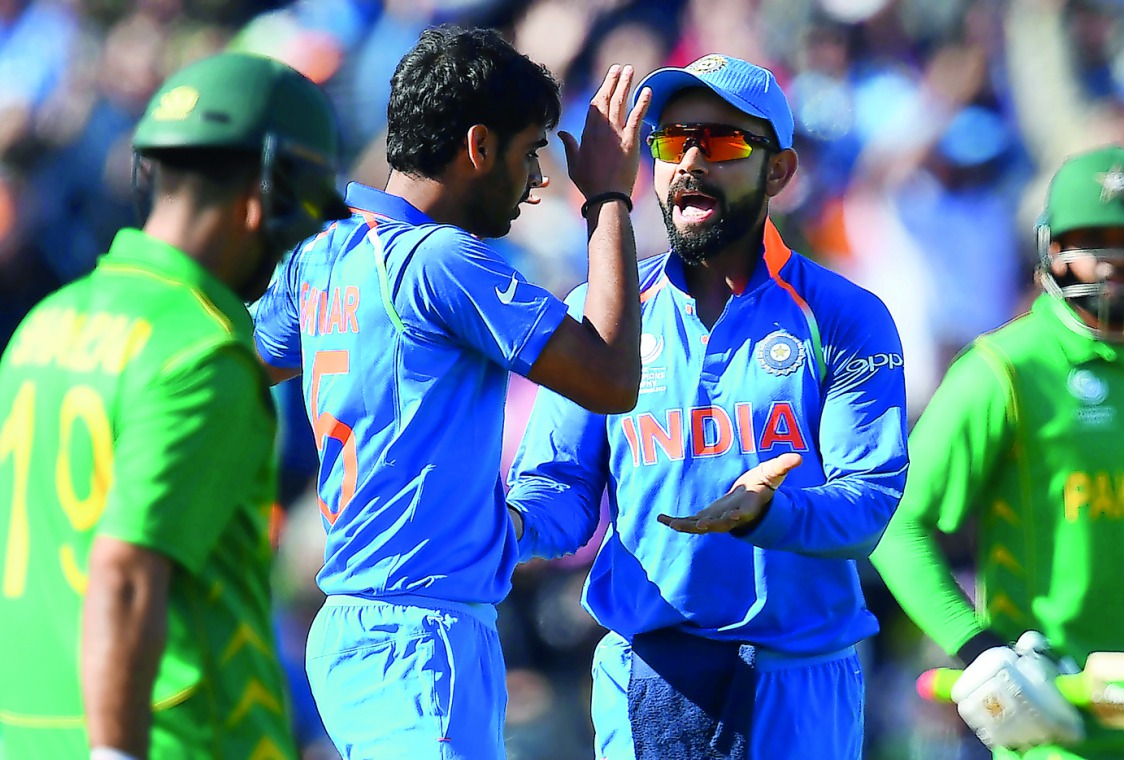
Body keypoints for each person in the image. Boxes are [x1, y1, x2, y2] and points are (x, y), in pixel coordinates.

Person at [251, 25, 649, 759]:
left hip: (358, 626)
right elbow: (612, 378)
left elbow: (241, 368)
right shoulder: (442, 261)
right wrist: (611, 199)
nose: (536, 181)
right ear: (477, 147)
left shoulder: (322, 252)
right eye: (531, 150)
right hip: (418, 637)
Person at [506, 53, 909, 759]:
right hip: (646, 669)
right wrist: (506, 527)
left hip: (797, 672)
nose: (689, 160)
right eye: (671, 141)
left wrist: (768, 514)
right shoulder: (603, 313)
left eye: (720, 143)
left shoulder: (844, 316)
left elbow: (868, 504)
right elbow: (563, 488)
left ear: (778, 172)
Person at [0, 52, 348, 760]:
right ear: (267, 197)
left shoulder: (45, 324)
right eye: (309, 208)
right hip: (173, 740)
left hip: (30, 732)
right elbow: (126, 573)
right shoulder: (201, 349)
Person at [870, 144, 1124, 760]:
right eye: (1092, 241)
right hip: (1055, 732)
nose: (1113, 265)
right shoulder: (1006, 370)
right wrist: (977, 649)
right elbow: (893, 519)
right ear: (1050, 251)